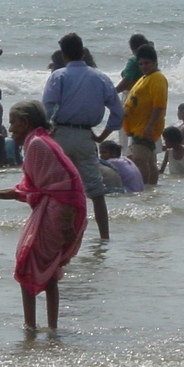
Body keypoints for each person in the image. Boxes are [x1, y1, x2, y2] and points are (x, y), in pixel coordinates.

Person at [0, 100, 86, 332]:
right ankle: (51, 329)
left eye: (13, 123)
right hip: (62, 209)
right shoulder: (40, 141)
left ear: (26, 122)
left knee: (25, 266)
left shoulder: (37, 144)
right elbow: (32, 189)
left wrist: (68, 222)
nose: (10, 129)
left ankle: (30, 328)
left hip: (61, 210)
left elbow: (65, 184)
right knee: (49, 271)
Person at [42, 33, 124, 240]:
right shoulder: (100, 77)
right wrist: (102, 135)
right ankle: (104, 237)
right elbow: (118, 112)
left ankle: (60, 235)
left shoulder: (58, 75)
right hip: (85, 135)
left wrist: (47, 130)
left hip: (61, 133)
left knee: (59, 187)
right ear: (82, 52)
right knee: (96, 191)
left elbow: (48, 107)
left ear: (64, 54)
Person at [122, 44, 168, 185]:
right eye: (141, 64)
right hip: (137, 127)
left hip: (145, 127)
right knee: (148, 160)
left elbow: (159, 105)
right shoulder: (144, 78)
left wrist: (150, 126)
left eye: (147, 63)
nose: (144, 66)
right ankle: (150, 190)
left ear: (155, 62)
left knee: (140, 161)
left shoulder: (157, 78)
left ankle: (143, 190)